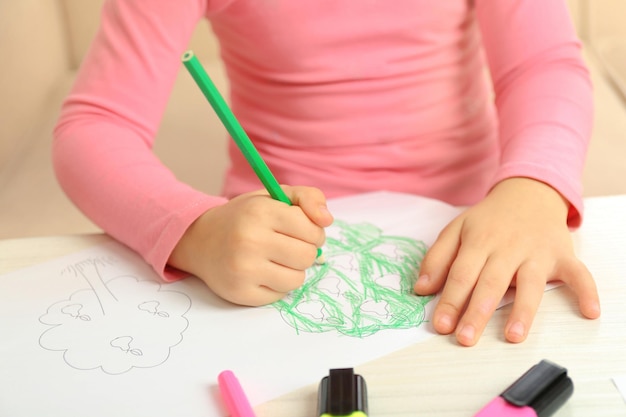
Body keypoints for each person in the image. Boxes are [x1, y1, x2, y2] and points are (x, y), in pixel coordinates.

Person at [52, 0, 600, 347]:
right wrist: (197, 230)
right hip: (271, 251)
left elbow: (543, 63)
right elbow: (94, 127)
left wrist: (534, 189)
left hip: (479, 224)